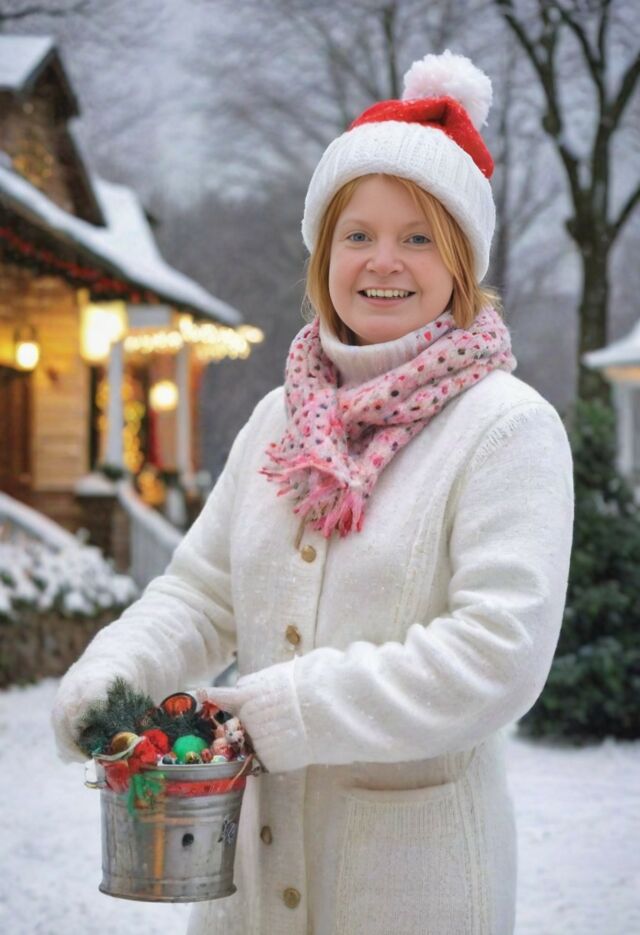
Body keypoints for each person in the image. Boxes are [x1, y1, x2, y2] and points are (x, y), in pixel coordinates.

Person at [52, 50, 574, 935]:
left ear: (461, 261)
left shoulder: (505, 427)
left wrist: (292, 709)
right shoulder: (278, 418)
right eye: (356, 234)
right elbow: (201, 594)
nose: (383, 260)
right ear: (323, 254)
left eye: (418, 237)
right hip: (249, 896)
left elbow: (498, 654)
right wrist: (114, 673)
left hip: (409, 893)